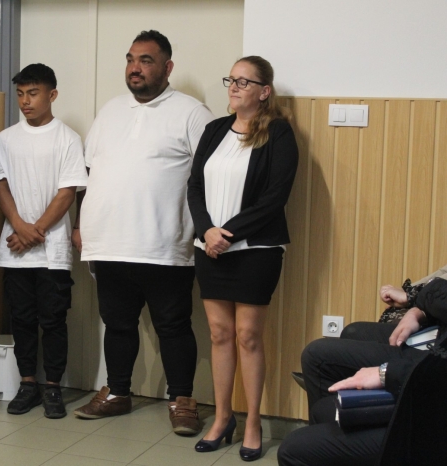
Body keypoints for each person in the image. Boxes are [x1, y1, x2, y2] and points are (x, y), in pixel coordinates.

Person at [72, 30, 214, 435]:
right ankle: (118, 392)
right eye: (131, 59)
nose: (135, 68)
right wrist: (80, 225)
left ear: (167, 67)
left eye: (146, 60)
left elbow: (209, 178)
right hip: (109, 242)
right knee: (117, 324)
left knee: (173, 325)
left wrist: (206, 231)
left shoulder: (192, 113)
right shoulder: (110, 110)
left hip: (164, 243)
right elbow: (89, 172)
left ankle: (183, 400)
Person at [186, 56, 298, 461]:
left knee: (248, 336)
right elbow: (194, 186)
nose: (233, 87)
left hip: (255, 250)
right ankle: (222, 418)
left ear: (264, 91)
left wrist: (227, 234)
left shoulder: (279, 133)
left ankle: (252, 422)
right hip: (209, 247)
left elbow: (274, 197)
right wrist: (206, 231)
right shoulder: (215, 129)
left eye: (243, 81)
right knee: (219, 334)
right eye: (230, 80)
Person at [0, 63, 87, 419]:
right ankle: (28, 383)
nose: (25, 101)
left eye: (33, 93)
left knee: (53, 320)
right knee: (21, 319)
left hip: (52, 250)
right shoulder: (6, 139)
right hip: (15, 247)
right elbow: (1, 186)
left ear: (52, 95)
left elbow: (67, 193)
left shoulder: (68, 138)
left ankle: (53, 387)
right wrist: (19, 225)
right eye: (20, 94)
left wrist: (35, 231)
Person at [277, 265, 447, 466]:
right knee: (324, 406)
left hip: (433, 405)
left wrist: (386, 373)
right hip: (434, 357)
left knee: (293, 448)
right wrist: (418, 311)